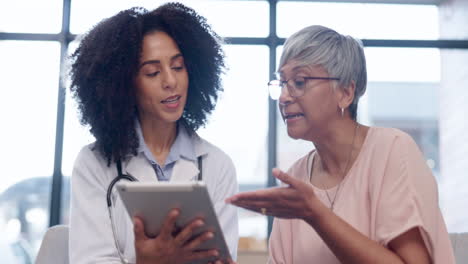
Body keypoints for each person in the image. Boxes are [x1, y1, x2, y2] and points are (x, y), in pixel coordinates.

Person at [227, 25, 455, 264]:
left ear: (346, 92)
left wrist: (315, 213)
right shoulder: (296, 177)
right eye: (282, 83)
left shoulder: (391, 149)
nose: (284, 96)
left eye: (300, 81)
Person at [68, 3, 238, 264]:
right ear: (124, 84)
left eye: (179, 67)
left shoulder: (217, 165)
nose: (170, 81)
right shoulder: (94, 163)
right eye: (152, 72)